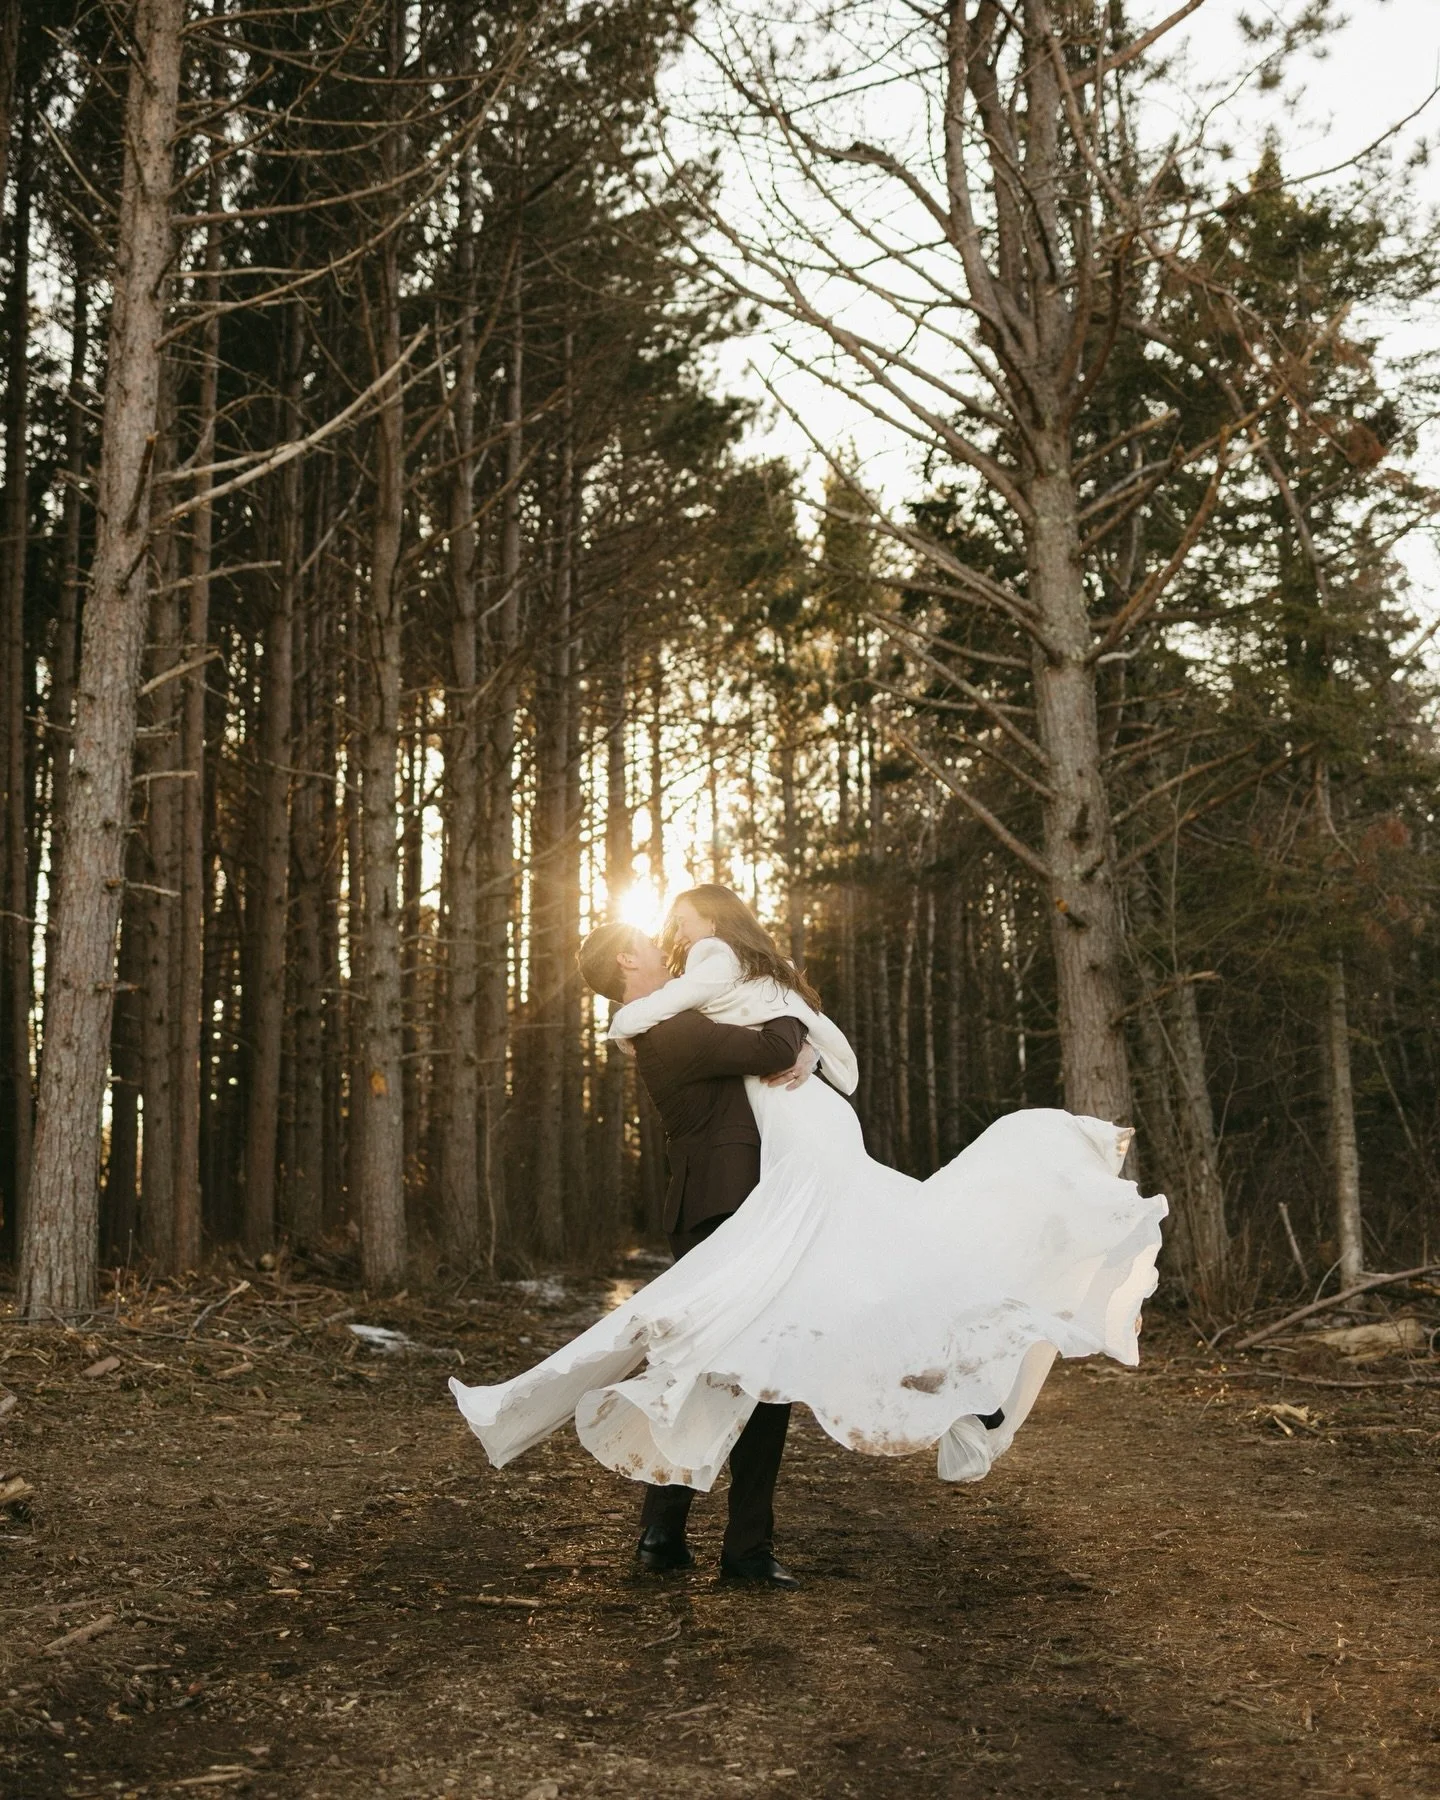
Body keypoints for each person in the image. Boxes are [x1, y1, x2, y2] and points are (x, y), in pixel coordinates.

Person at [449, 887, 1166, 1585]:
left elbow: (773, 1041)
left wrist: (794, 1040)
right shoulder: (664, 1025)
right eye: (646, 946)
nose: (663, 952)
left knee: (742, 1372)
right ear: (627, 969)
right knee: (734, 1376)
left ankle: (679, 1539)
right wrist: (793, 1031)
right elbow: (774, 1042)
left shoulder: (677, 1014)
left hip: (741, 1207)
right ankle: (728, 1544)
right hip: (723, 1211)